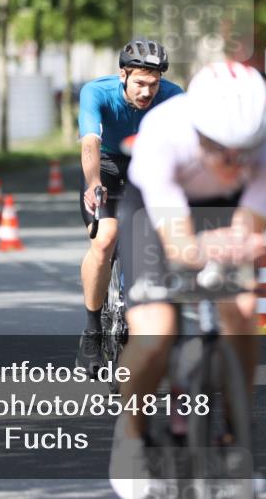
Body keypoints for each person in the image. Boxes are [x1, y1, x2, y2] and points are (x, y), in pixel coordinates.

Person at [110, 61, 266, 498]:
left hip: (225, 208)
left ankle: (235, 435)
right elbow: (177, 243)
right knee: (155, 330)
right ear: (197, 129)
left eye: (245, 150)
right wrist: (192, 253)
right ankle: (131, 441)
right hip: (154, 208)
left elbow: (249, 230)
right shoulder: (163, 133)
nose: (234, 161)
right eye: (221, 148)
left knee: (243, 310)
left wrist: (234, 252)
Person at [76, 39, 183, 374]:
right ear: (123, 74)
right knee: (105, 238)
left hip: (148, 166)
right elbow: (90, 143)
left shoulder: (174, 97)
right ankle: (92, 330)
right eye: (139, 83)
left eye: (153, 84)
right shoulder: (97, 92)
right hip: (106, 165)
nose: (147, 92)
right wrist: (93, 182)